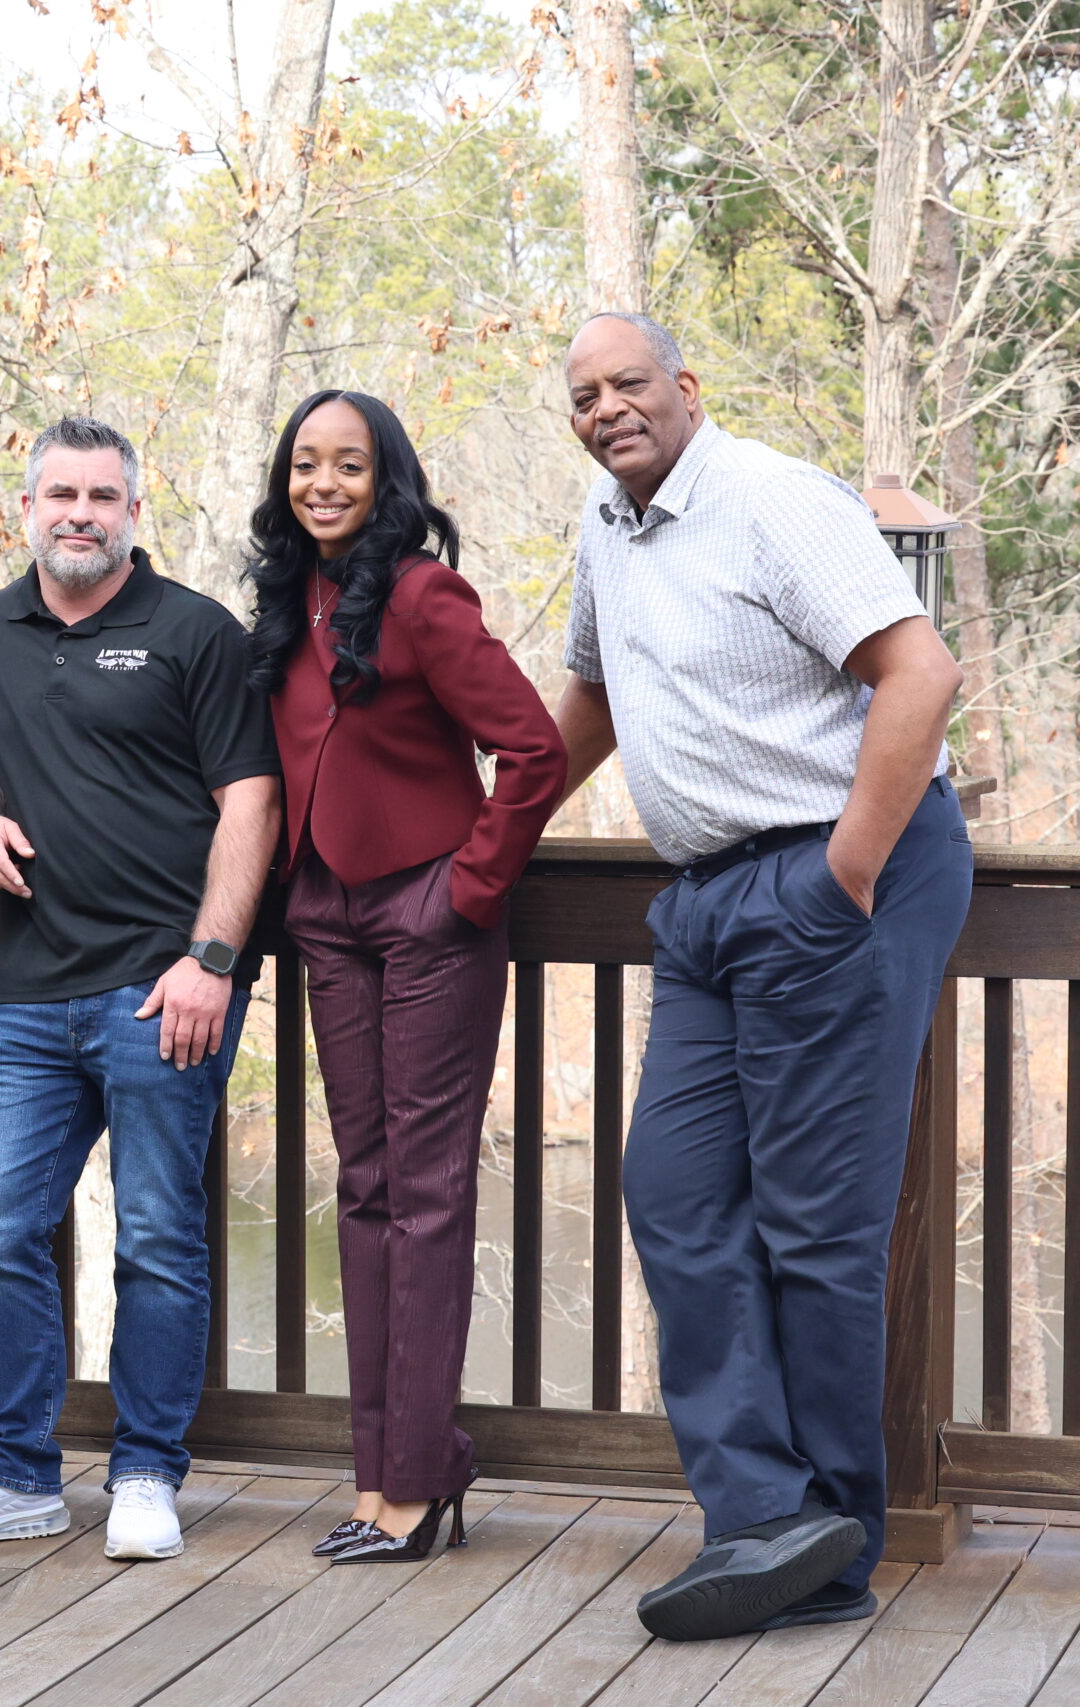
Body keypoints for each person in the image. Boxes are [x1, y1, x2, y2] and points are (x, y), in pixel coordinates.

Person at [555, 313, 971, 1640]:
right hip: (709, 900)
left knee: (814, 1223)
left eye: (630, 382)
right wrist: (477, 829)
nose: (609, 406)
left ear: (687, 385)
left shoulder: (771, 499)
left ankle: (830, 1542)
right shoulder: (607, 527)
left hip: (834, 871)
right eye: (584, 393)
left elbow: (923, 672)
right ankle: (766, 1512)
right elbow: (591, 697)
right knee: (672, 1190)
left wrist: (843, 873)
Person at [0, 417, 281, 1561]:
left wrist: (211, 961)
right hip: (27, 992)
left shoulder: (194, 633)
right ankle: (10, 1475)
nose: (79, 513)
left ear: (132, 513)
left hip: (162, 989)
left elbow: (250, 803)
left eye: (102, 497)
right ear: (24, 508)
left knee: (158, 1240)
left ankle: (147, 1476)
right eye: (59, 494)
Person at [246, 391, 566, 1565]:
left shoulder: (426, 595)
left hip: (428, 911)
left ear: (388, 479)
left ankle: (419, 1485)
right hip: (323, 913)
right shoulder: (290, 601)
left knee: (426, 1194)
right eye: (305, 465)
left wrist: (469, 889)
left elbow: (532, 745)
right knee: (365, 1186)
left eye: (349, 465)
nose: (324, 483)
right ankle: (382, 1470)